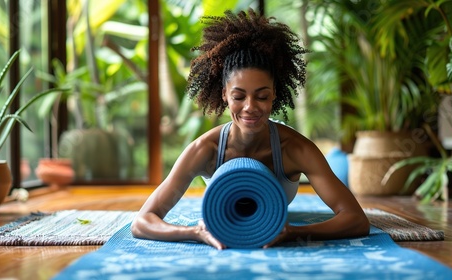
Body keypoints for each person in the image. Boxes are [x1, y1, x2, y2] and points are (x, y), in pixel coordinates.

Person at [131, 8, 370, 250]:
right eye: (238, 96)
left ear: (274, 93)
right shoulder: (205, 149)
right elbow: (142, 222)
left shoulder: (295, 149)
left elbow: (356, 219)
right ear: (224, 94)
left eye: (262, 96)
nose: (250, 107)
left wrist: (292, 233)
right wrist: (195, 232)